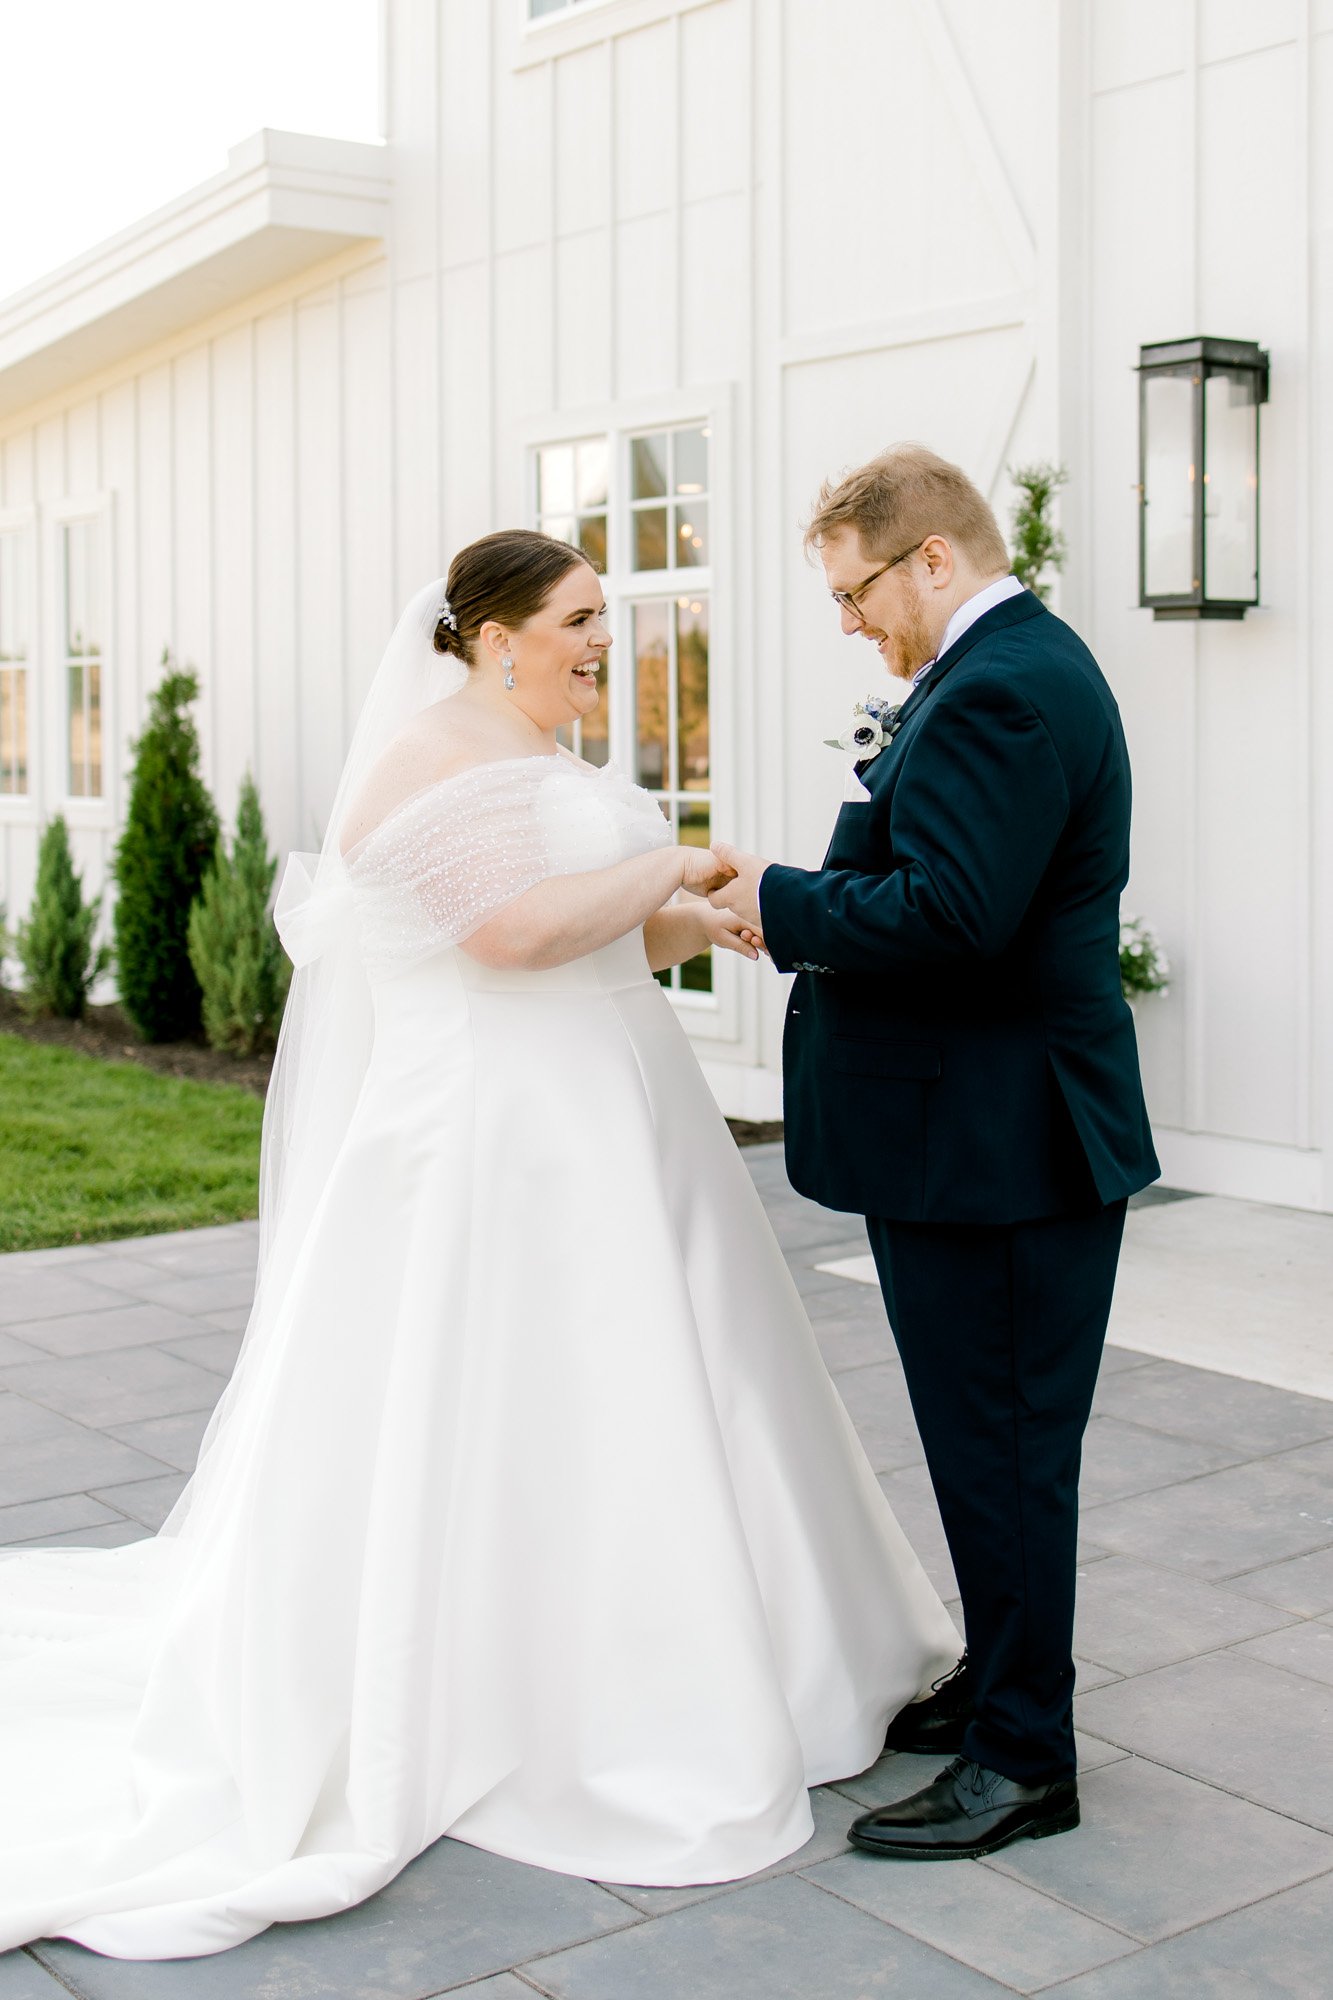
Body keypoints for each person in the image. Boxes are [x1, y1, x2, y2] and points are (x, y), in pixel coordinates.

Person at [0, 530, 958, 1960]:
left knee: (664, 1399)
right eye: (578, 621)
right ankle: (513, 1702)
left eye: (603, 623)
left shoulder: (541, 759)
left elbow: (581, 945)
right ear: (492, 634)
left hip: (607, 1131)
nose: (599, 645)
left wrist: (693, 919)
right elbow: (505, 939)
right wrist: (672, 864)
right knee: (519, 1407)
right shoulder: (426, 758)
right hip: (490, 1154)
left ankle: (743, 1659)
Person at [711, 447, 1159, 1861]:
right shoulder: (1003, 671)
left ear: (932, 561)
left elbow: (953, 916)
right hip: (977, 1138)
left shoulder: (1004, 688)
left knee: (1007, 1450)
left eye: (852, 592)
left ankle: (1025, 1757)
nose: (848, 621)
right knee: (984, 1445)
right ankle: (1000, 1681)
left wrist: (780, 903)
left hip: (1001, 1146)